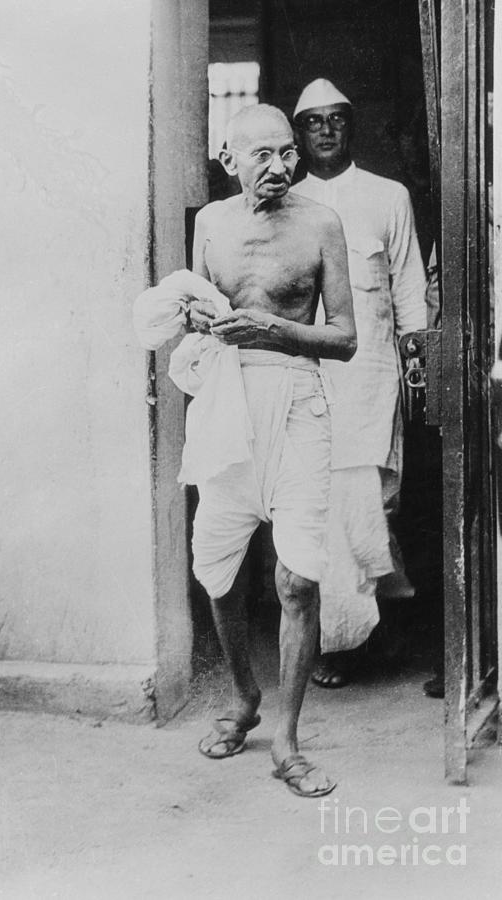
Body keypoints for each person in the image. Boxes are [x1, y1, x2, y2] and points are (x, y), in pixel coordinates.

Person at [135, 104, 356, 797]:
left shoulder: (322, 223)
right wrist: (200, 317)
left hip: (298, 402)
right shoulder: (210, 225)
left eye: (287, 153)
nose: (280, 167)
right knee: (218, 573)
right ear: (228, 162)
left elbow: (346, 338)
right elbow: (196, 313)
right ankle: (243, 699)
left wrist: (275, 330)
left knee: (297, 577)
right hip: (226, 404)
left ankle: (286, 740)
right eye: (261, 155)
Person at [290, 79, 427, 688]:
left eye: (336, 120)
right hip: (308, 379)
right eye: (313, 121)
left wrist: (418, 371)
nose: (325, 130)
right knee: (323, 509)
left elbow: (409, 296)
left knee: (371, 507)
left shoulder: (388, 197)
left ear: (352, 126)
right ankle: (346, 640)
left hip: (372, 381)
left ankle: (374, 631)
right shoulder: (286, 203)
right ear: (300, 133)